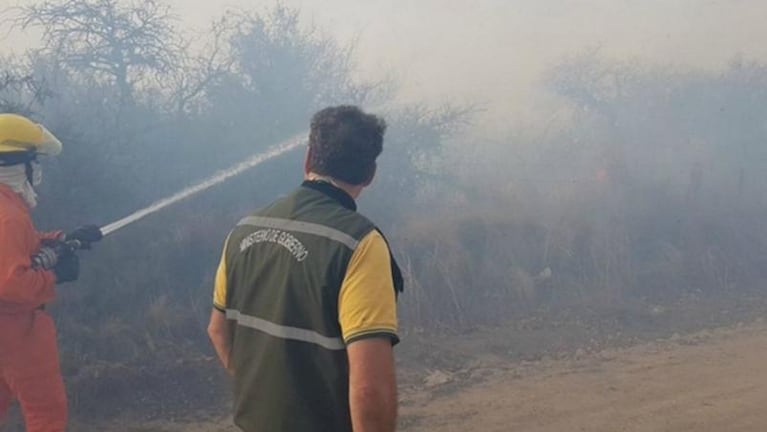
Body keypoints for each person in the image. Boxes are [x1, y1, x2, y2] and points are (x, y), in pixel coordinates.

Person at [208, 105, 403, 432]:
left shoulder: (244, 230)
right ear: (370, 175)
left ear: (308, 158)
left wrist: (267, 400)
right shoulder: (359, 243)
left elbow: (217, 330)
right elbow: (369, 388)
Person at [0, 113, 102, 431]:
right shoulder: (9, 216)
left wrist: (63, 240)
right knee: (46, 411)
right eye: (35, 162)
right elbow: (10, 283)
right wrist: (54, 276)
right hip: (15, 328)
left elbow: (16, 248)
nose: (38, 171)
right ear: (18, 166)